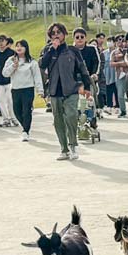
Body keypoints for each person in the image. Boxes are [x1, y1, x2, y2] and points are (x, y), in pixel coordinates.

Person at [39, 23, 92, 160]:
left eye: (59, 32)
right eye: (53, 33)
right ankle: (64, 149)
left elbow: (82, 68)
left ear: (64, 34)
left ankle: (73, 145)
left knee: (71, 116)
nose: (56, 35)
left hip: (71, 89)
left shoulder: (72, 51)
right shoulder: (47, 50)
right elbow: (42, 65)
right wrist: (52, 50)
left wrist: (87, 86)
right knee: (58, 121)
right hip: (54, 90)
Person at [4, 38, 44, 141]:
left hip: (28, 89)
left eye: (21, 46)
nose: (19, 48)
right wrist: (14, 66)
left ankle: (25, 131)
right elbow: (5, 73)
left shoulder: (32, 62)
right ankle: (25, 126)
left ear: (26, 48)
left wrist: (40, 90)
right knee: (17, 111)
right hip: (15, 89)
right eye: (17, 46)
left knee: (27, 111)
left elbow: (37, 76)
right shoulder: (11, 60)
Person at [0, 35, 18, 128]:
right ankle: (6, 119)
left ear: (6, 41)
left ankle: (14, 118)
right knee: (1, 101)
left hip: (10, 80)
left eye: (2, 41)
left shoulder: (12, 53)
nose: (1, 43)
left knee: (10, 100)